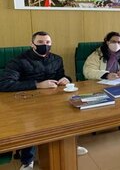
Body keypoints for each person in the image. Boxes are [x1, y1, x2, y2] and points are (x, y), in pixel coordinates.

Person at [0, 31, 87, 170]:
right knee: (30, 121)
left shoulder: (57, 59)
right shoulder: (18, 61)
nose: (44, 45)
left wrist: (66, 79)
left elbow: (61, 76)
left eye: (47, 42)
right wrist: (37, 85)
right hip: (29, 101)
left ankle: (69, 145)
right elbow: (4, 84)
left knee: (70, 114)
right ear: (32, 44)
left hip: (54, 99)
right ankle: (27, 160)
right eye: (40, 42)